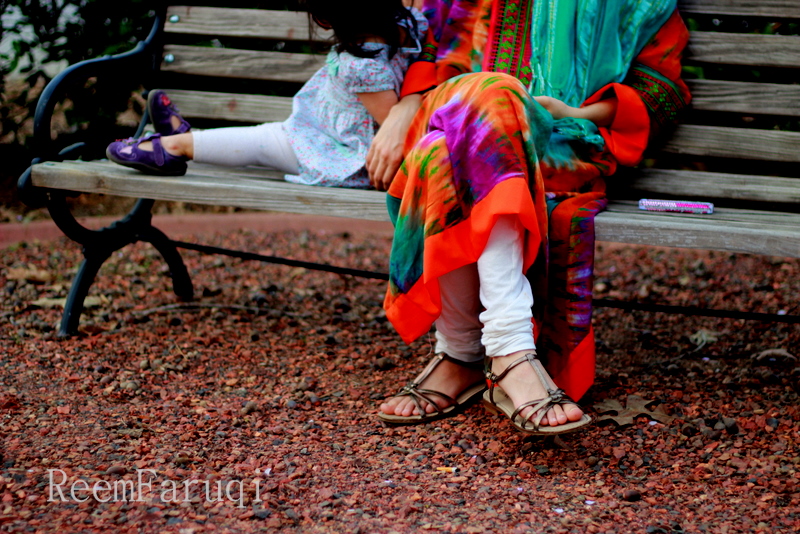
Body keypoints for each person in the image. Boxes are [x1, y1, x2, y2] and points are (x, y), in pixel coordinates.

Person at [373, 0, 691, 434]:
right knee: (492, 98)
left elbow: (662, 92)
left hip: (557, 144)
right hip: (453, 116)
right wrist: (403, 106)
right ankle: (510, 350)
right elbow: (425, 51)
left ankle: (460, 353)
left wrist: (573, 114)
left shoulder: (646, 4)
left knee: (443, 150)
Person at [106, 0, 427, 189]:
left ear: (326, 19)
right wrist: (415, 98)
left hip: (331, 141)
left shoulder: (390, 35)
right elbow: (393, 119)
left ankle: (178, 142)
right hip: (329, 141)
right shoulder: (372, 53)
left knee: (263, 141)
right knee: (263, 142)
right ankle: (176, 144)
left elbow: (395, 119)